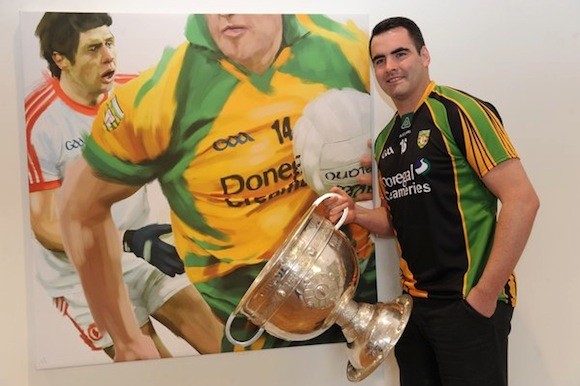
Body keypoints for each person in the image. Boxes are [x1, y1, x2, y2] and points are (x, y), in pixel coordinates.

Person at [57, 13, 377, 360]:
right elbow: (79, 210)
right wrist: (125, 338)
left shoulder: (350, 48)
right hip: (254, 326)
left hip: (365, 285)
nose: (226, 12)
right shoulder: (160, 96)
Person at [325, 16, 540, 386]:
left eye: (400, 53)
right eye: (380, 60)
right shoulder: (385, 141)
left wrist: (484, 297)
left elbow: (522, 201)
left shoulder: (459, 110)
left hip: (468, 306)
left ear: (424, 55)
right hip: (413, 311)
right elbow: (395, 221)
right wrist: (356, 213)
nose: (390, 67)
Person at [26, 12, 223, 361]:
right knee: (148, 363)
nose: (109, 56)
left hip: (143, 251)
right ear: (61, 59)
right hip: (81, 273)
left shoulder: (134, 92)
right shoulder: (41, 119)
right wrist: (128, 240)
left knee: (222, 346)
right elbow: (44, 226)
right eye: (92, 49)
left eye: (110, 43)